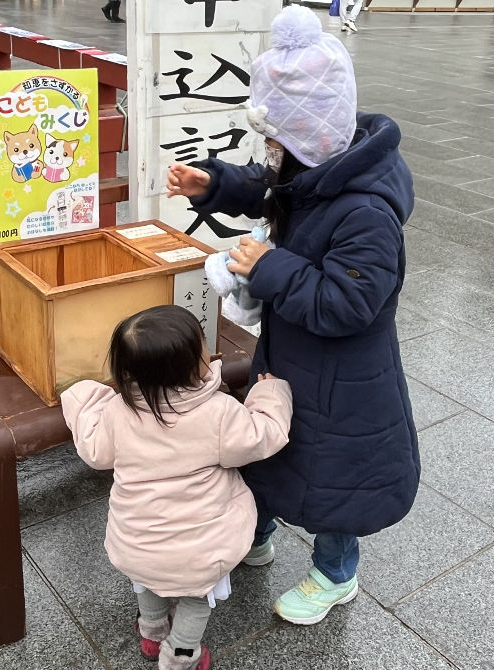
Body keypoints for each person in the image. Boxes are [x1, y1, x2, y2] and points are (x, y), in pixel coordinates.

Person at [166, 4, 420, 627]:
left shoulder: (366, 212)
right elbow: (273, 186)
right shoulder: (320, 162)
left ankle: (337, 573)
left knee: (336, 476)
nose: (269, 151)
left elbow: (349, 303)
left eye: (276, 140)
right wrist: (214, 183)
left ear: (307, 134)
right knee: (273, 446)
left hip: (345, 377)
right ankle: (256, 533)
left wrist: (266, 268)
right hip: (293, 356)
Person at [61, 305, 293, 670]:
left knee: (148, 579)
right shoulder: (217, 412)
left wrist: (83, 396)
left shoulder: (120, 410)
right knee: (196, 598)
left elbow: (95, 449)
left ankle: (152, 634)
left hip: (137, 541)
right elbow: (264, 434)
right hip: (201, 547)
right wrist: (271, 392)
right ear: (192, 368)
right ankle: (178, 663)